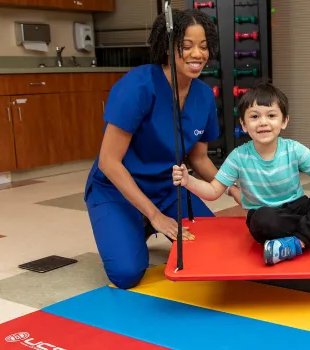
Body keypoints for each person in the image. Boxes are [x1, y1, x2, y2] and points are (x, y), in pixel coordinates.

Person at [83, 9, 241, 289]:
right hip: (115, 188)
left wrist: (231, 188)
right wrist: (155, 215)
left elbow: (199, 158)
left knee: (212, 246)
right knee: (127, 274)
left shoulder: (203, 95)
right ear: (168, 47)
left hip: (167, 188)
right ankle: (139, 219)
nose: (197, 54)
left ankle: (141, 221)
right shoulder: (138, 86)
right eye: (187, 46)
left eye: (203, 46)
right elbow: (109, 161)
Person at [172, 81, 310, 266]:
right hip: (265, 214)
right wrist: (188, 181)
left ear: (284, 121)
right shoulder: (238, 156)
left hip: (298, 207)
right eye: (254, 117)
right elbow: (212, 191)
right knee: (262, 220)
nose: (263, 122)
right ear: (244, 125)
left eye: (271, 116)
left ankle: (297, 242)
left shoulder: (293, 149)